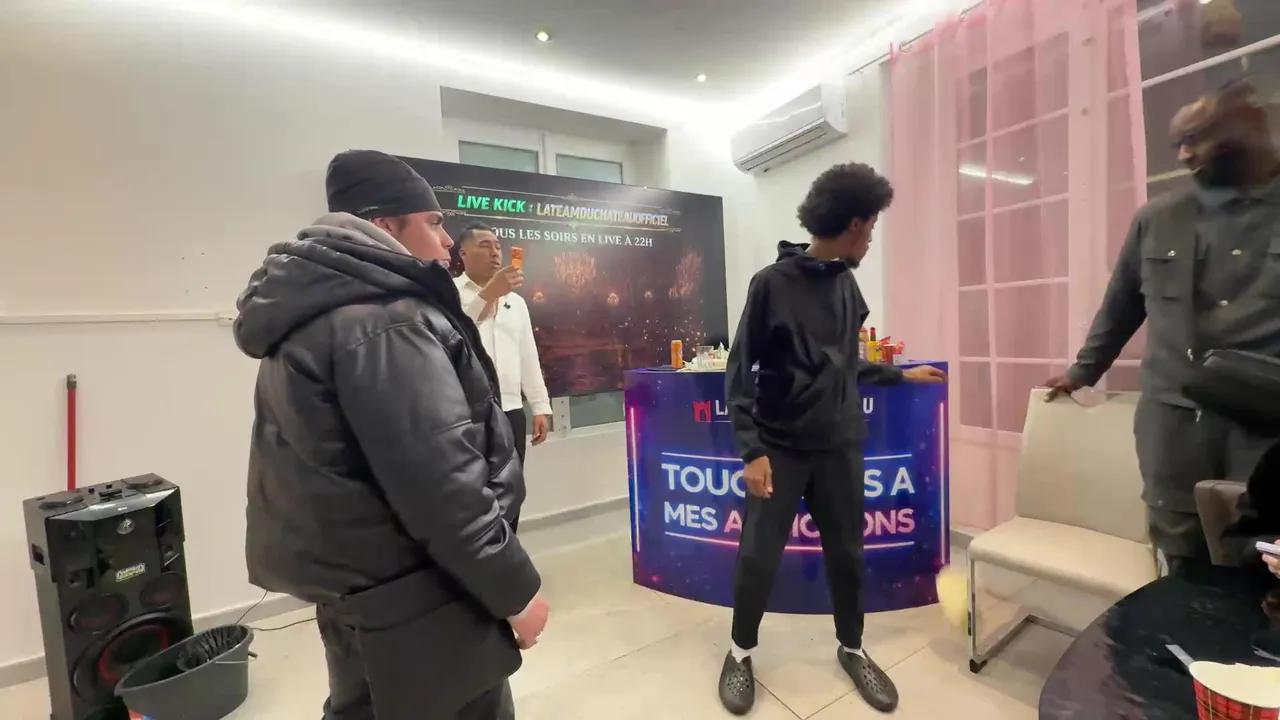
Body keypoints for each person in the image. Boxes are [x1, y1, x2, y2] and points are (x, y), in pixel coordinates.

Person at [233, 150, 549, 720]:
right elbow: (443, 486)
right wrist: (515, 592)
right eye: (433, 223)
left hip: (367, 590)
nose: (447, 241)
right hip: (420, 593)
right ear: (384, 225)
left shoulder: (320, 311)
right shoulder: (386, 321)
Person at [717, 163, 947, 715]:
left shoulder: (846, 283)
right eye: (872, 228)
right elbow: (739, 370)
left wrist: (899, 375)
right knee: (759, 556)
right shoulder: (771, 284)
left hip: (840, 445)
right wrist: (751, 448)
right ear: (854, 223)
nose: (871, 239)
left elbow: (844, 364)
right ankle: (739, 652)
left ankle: (852, 647)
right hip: (780, 446)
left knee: (847, 554)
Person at [1042, 81, 1280, 576]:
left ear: (1246, 130)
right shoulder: (1158, 218)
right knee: (1181, 551)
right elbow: (1121, 305)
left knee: (1263, 555)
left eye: (1196, 137)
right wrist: (1083, 371)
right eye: (1179, 144)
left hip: (1266, 427)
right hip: (1174, 424)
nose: (1185, 154)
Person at [454, 222, 553, 483]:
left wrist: (540, 406)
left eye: (498, 246)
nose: (495, 252)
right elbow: (456, 335)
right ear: (463, 253)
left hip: (511, 409)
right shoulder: (449, 292)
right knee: (474, 487)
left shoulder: (516, 302)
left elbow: (527, 355)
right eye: (485, 245)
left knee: (512, 486)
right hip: (467, 412)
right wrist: (487, 295)